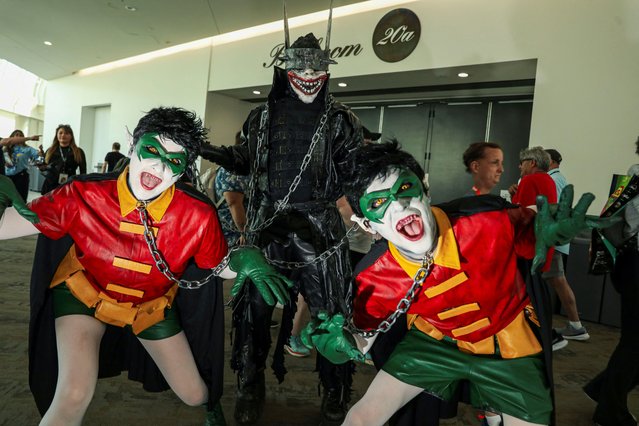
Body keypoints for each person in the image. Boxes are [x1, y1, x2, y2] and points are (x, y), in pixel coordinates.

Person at [0, 107, 292, 426]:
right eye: (153, 149)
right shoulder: (83, 194)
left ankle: (210, 406)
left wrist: (243, 257)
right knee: (72, 393)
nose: (158, 165)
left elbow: (216, 265)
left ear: (183, 169)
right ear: (133, 143)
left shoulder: (197, 214)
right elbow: (9, 225)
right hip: (82, 296)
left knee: (195, 393)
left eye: (174, 160)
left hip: (149, 307)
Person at [301, 140, 607, 426]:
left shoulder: (487, 224)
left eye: (405, 188)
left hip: (509, 345)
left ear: (425, 191)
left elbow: (531, 219)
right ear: (367, 225)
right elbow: (363, 335)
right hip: (435, 342)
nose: (400, 207)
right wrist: (339, 346)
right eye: (379, 202)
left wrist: (547, 228)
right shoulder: (377, 275)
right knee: (364, 416)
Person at [200, 17, 363, 424]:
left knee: (331, 313)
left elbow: (355, 171)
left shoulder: (342, 120)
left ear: (326, 72)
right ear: (284, 70)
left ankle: (335, 390)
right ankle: (250, 386)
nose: (309, 76)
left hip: (320, 229)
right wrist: (207, 150)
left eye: (316, 69)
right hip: (266, 227)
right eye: (301, 69)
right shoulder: (260, 117)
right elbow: (245, 160)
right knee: (253, 311)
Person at [583, 137, 639, 426]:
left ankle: (601, 390)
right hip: (636, 265)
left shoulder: (632, 176)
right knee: (635, 341)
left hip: (630, 265)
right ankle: (610, 410)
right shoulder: (636, 176)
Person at [509, 147, 566, 351]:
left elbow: (519, 215)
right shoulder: (548, 181)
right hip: (540, 246)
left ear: (531, 163)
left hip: (526, 248)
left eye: (522, 162)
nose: (520, 167)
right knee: (531, 294)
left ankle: (546, 336)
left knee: (526, 296)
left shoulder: (531, 180)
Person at [543, 149, 589, 341]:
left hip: (551, 239)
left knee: (558, 282)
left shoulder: (551, 180)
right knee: (558, 282)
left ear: (551, 161)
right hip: (559, 237)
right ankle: (575, 325)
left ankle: (575, 326)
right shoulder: (560, 178)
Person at [213, 132, 249, 247]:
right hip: (233, 237)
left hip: (235, 234)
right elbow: (234, 203)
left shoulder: (240, 167)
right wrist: (245, 232)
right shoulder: (235, 169)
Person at [40, 124, 87, 195]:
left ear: (71, 136)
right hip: (50, 186)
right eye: (60, 133)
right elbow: (44, 167)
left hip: (69, 186)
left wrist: (82, 187)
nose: (63, 135)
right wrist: (40, 166)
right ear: (56, 135)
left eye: (66, 133)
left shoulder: (78, 151)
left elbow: (83, 171)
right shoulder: (50, 150)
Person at [1, 130, 42, 200]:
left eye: (20, 135)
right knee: (5, 200)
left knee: (21, 199)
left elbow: (39, 154)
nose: (18, 137)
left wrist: (41, 151)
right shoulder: (6, 148)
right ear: (12, 137)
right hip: (7, 176)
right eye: (16, 135)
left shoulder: (28, 149)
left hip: (21, 176)